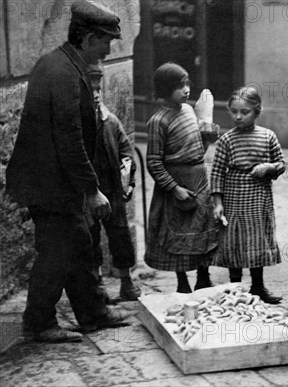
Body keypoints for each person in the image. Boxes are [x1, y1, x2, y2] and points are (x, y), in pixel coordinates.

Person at [5, 0, 136, 342]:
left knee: (77, 243)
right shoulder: (62, 73)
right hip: (49, 184)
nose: (109, 50)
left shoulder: (61, 64)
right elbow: (69, 138)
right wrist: (91, 189)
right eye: (107, 42)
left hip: (55, 181)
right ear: (89, 38)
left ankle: (93, 313)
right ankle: (39, 323)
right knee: (57, 252)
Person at [145, 62, 218, 293]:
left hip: (198, 177)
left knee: (202, 230)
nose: (186, 90)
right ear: (165, 89)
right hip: (177, 183)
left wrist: (207, 136)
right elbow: (153, 162)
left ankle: (203, 277)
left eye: (187, 84)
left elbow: (198, 145)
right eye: (179, 86)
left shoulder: (188, 110)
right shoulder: (158, 121)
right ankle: (182, 282)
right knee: (178, 234)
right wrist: (175, 188)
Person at [210, 86, 285, 304]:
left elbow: (281, 164)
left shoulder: (268, 136)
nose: (238, 116)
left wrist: (268, 167)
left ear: (257, 111)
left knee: (256, 240)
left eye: (245, 112)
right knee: (234, 241)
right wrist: (217, 203)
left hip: (258, 198)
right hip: (233, 198)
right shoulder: (227, 140)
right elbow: (216, 172)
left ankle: (258, 286)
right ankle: (235, 287)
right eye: (234, 111)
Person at [87, 65, 141, 301]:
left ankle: (126, 282)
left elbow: (126, 153)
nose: (96, 95)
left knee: (120, 236)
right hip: (88, 193)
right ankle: (96, 284)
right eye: (91, 90)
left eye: (99, 90)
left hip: (112, 191)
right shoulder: (77, 126)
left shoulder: (111, 122)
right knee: (90, 239)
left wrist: (127, 181)